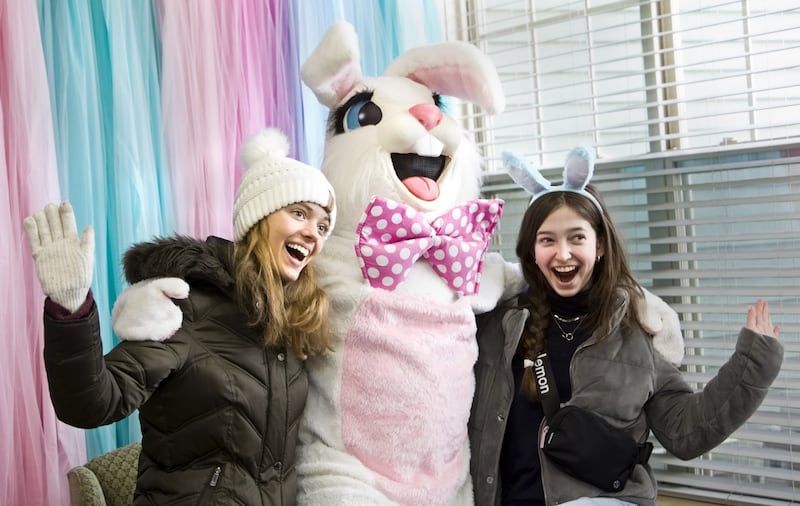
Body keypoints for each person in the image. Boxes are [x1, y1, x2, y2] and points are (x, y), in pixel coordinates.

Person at [23, 128, 336, 505]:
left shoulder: (296, 324)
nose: (312, 233)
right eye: (299, 213)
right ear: (259, 218)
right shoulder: (186, 305)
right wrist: (71, 309)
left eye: (322, 226)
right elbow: (91, 403)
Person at [468, 147, 784, 506]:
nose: (563, 253)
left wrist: (754, 363)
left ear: (599, 245)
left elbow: (687, 432)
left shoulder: (637, 332)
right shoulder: (498, 325)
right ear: (531, 251)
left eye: (577, 237)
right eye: (547, 240)